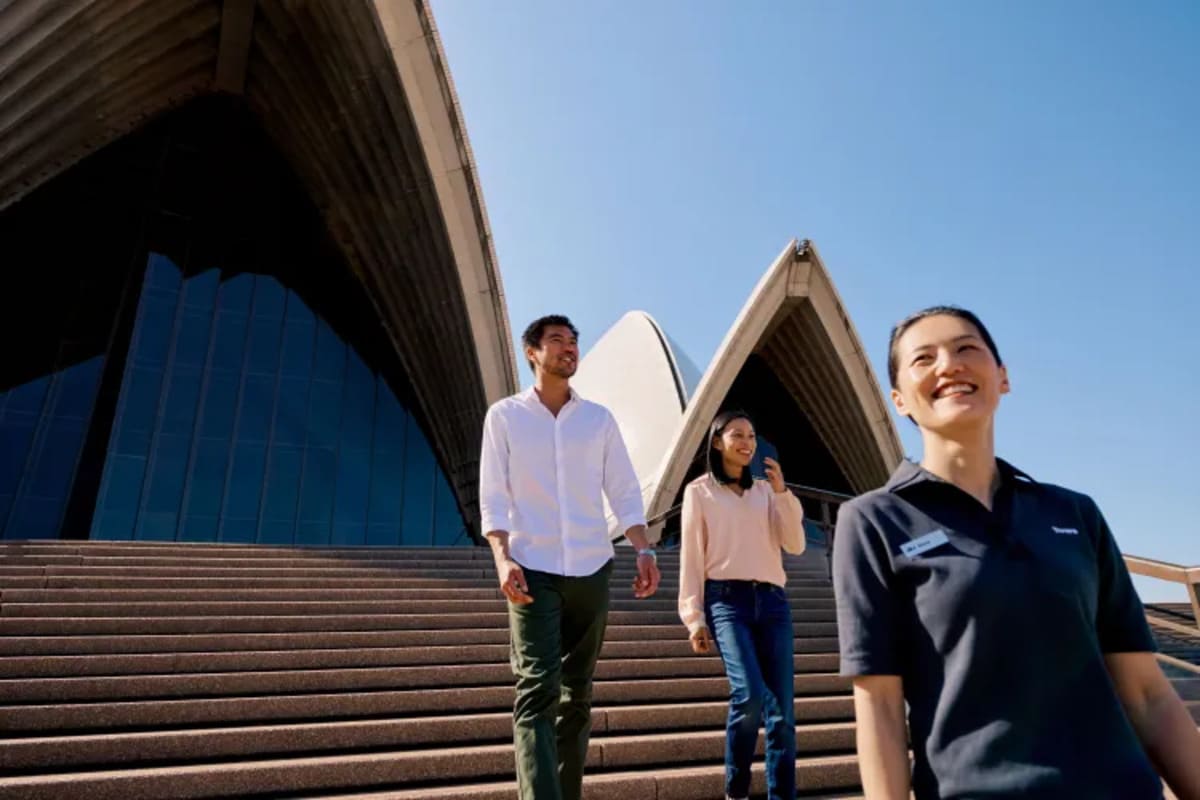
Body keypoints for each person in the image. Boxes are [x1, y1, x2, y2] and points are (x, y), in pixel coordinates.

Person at [833, 305, 1200, 799]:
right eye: (924, 359)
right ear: (899, 400)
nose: (949, 365)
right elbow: (878, 707)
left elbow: (1148, 692)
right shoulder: (873, 521)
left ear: (1002, 377)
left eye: (966, 348)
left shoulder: (1075, 513)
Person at [479, 314, 661, 800]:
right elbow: (492, 494)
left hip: (591, 568)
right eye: (557, 340)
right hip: (530, 568)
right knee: (537, 688)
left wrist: (643, 547)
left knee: (578, 694)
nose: (570, 348)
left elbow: (624, 490)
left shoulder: (598, 420)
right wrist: (502, 557)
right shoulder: (504, 416)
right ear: (532, 353)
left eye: (574, 341)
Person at [678, 409, 807, 800]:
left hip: (772, 602)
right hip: (726, 602)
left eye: (751, 435)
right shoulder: (699, 491)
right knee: (748, 695)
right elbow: (692, 556)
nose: (747, 442)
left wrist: (782, 493)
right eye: (737, 435)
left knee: (782, 713)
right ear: (717, 442)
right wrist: (694, 617)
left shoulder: (766, 492)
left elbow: (796, 545)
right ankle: (737, 792)